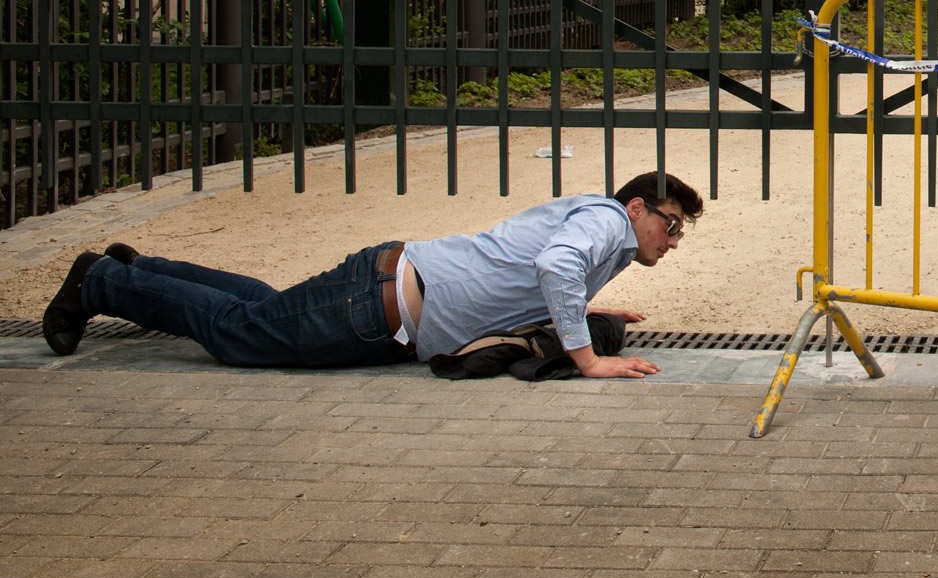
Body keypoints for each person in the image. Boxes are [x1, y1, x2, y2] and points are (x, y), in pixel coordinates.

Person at [40, 171, 701, 379]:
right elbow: (555, 264)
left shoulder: (604, 234)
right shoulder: (609, 222)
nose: (671, 240)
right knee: (240, 334)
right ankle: (101, 282)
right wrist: (587, 357)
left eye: (680, 232)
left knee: (265, 309)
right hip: (381, 307)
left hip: (385, 289)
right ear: (637, 206)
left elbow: (543, 276)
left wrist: (583, 315)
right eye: (669, 223)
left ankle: (140, 270)